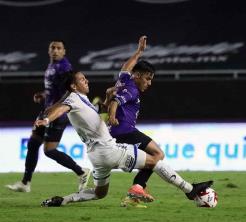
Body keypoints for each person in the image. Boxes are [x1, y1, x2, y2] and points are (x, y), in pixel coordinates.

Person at [36, 69, 213, 207]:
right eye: (82, 79)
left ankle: (65, 200)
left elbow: (100, 115)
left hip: (96, 156)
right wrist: (46, 119)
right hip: (109, 149)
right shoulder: (73, 99)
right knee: (154, 160)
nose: (86, 80)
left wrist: (106, 98)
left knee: (100, 193)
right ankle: (190, 190)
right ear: (74, 86)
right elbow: (61, 109)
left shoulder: (83, 101)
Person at [6, 40, 90, 193]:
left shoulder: (65, 67)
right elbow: (55, 90)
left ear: (64, 51)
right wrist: (43, 95)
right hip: (46, 110)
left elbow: (71, 90)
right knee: (32, 144)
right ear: (49, 50)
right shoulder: (52, 66)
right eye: (53, 48)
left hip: (57, 114)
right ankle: (25, 183)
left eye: (59, 48)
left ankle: (82, 172)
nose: (56, 51)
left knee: (49, 151)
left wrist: (56, 107)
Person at [106, 36, 163, 203]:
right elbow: (116, 101)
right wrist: (111, 116)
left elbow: (125, 67)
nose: (149, 83)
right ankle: (137, 188)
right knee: (157, 154)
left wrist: (139, 52)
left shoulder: (125, 79)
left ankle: (136, 194)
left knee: (150, 158)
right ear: (137, 75)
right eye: (147, 78)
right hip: (125, 132)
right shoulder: (132, 90)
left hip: (119, 132)